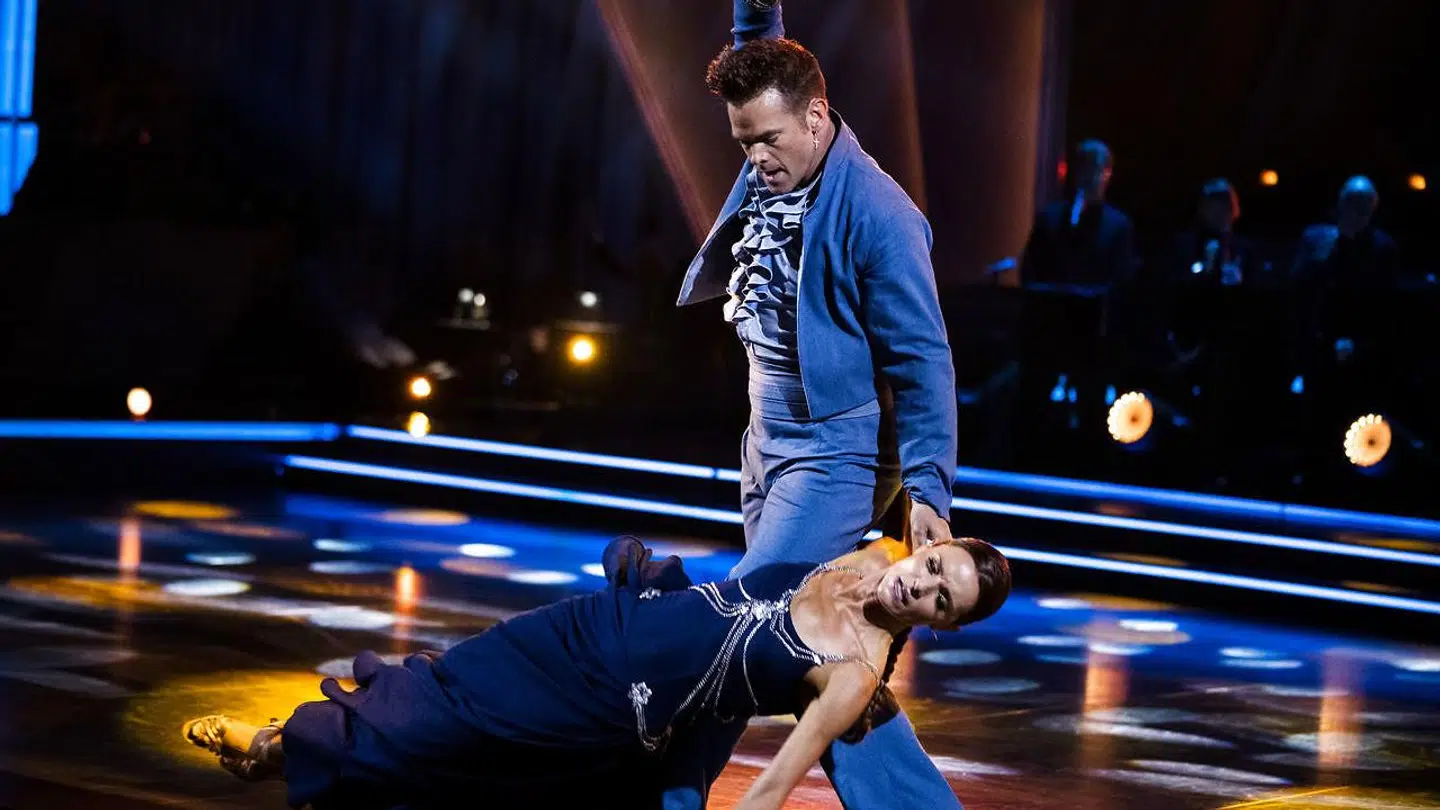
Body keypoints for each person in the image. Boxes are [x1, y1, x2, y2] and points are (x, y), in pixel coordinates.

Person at [673, 1, 964, 805]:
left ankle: (670, 794)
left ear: (816, 116)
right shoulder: (778, 133)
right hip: (765, 441)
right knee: (804, 646)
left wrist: (929, 488)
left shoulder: (880, 214)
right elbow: (759, 48)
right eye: (742, 143)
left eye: (767, 140)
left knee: (739, 626)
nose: (755, 159)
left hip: (835, 457)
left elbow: (924, 360)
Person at [182, 534, 1012, 810]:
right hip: (602, 621)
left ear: (941, 627)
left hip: (612, 700)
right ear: (929, 543)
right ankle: (284, 744)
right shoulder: (877, 548)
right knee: (446, 682)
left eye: (942, 601)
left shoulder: (855, 675)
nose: (922, 585)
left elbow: (768, 793)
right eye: (935, 566)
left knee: (456, 736)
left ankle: (284, 751)